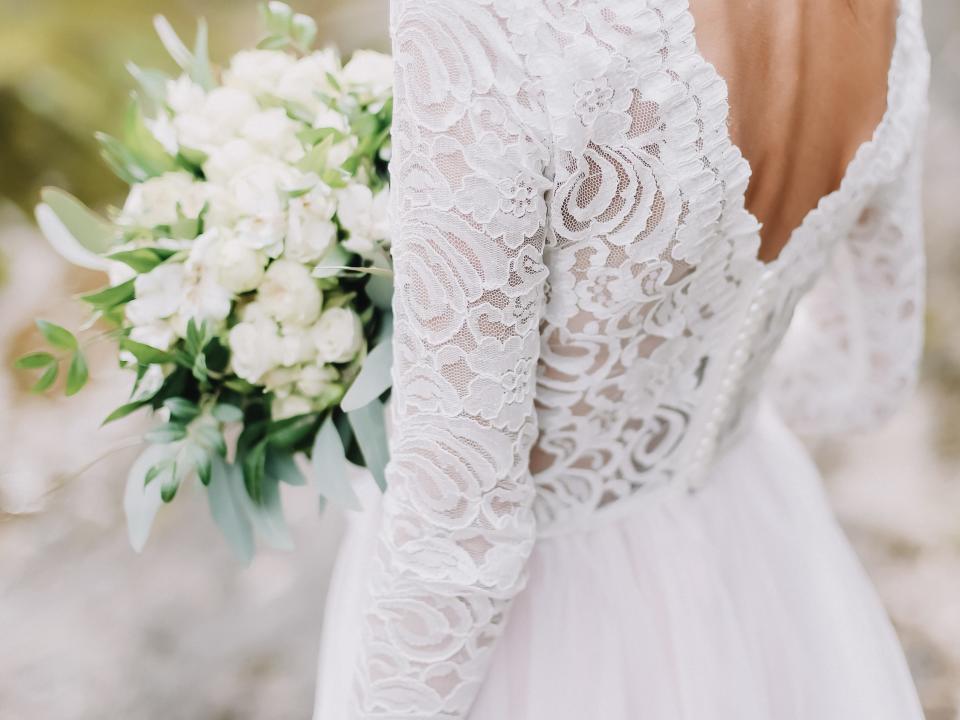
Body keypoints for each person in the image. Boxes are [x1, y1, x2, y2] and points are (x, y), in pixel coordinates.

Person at [316, 0, 931, 717]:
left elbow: (458, 528)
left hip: (549, 633)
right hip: (756, 554)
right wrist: (692, 396)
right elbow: (865, 376)